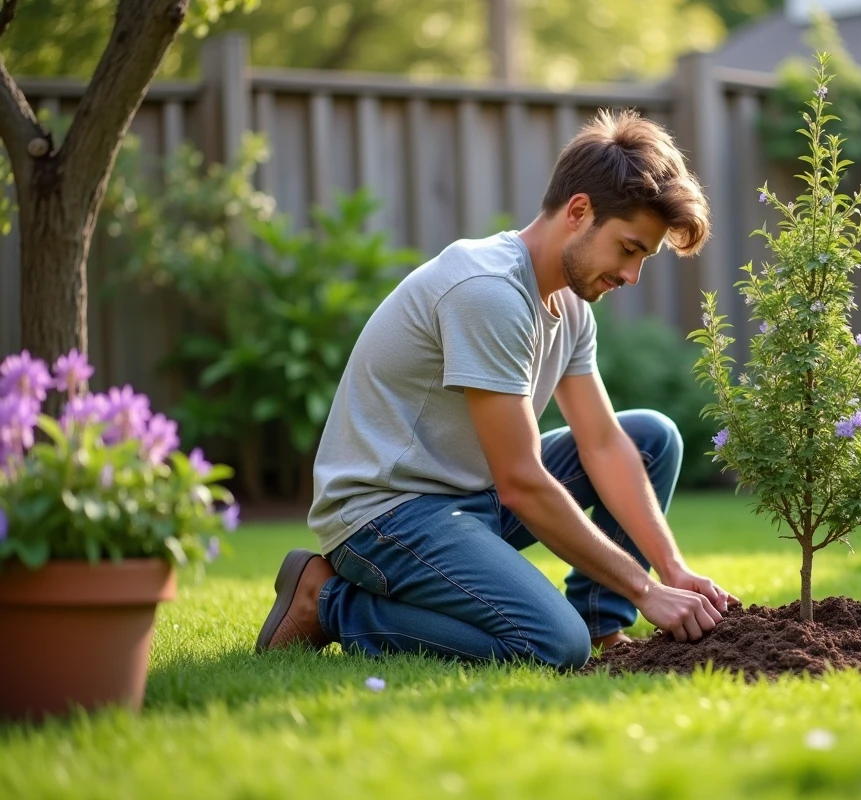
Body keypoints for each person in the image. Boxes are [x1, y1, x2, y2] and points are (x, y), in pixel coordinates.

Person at [254, 109, 737, 671]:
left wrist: (671, 570)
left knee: (652, 437)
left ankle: (601, 625)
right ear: (579, 212)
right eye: (628, 249)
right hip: (386, 512)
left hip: (468, 497)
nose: (631, 276)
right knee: (553, 646)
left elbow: (603, 444)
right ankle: (329, 601)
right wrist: (645, 589)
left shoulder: (572, 307)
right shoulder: (488, 291)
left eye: (642, 259)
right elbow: (522, 483)